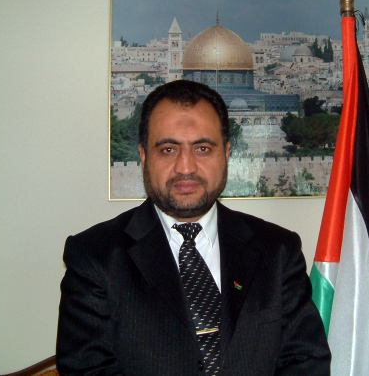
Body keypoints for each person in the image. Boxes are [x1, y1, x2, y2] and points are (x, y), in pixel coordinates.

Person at [56, 80, 331, 375]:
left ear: (226, 154)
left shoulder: (278, 252)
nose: (185, 167)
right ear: (144, 156)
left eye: (202, 148)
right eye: (168, 149)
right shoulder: (94, 257)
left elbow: (306, 363)